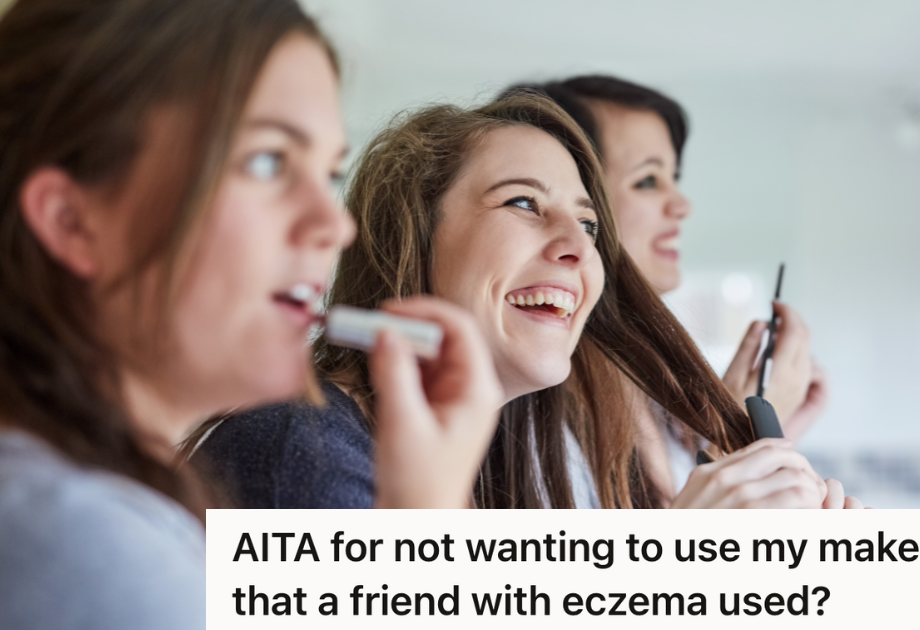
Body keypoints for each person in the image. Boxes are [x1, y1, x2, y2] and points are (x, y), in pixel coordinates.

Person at [0, 1, 500, 627]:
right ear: (73, 221)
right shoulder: (81, 547)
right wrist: (423, 525)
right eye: (267, 162)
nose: (335, 225)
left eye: (330, 174)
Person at [197, 94, 858, 509]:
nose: (578, 248)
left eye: (590, 226)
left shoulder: (486, 471)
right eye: (523, 202)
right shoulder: (302, 450)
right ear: (412, 234)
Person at [499, 76, 830, 496]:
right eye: (648, 181)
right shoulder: (528, 404)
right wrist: (738, 444)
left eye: (673, 178)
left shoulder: (656, 398)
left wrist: (762, 438)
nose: (682, 205)